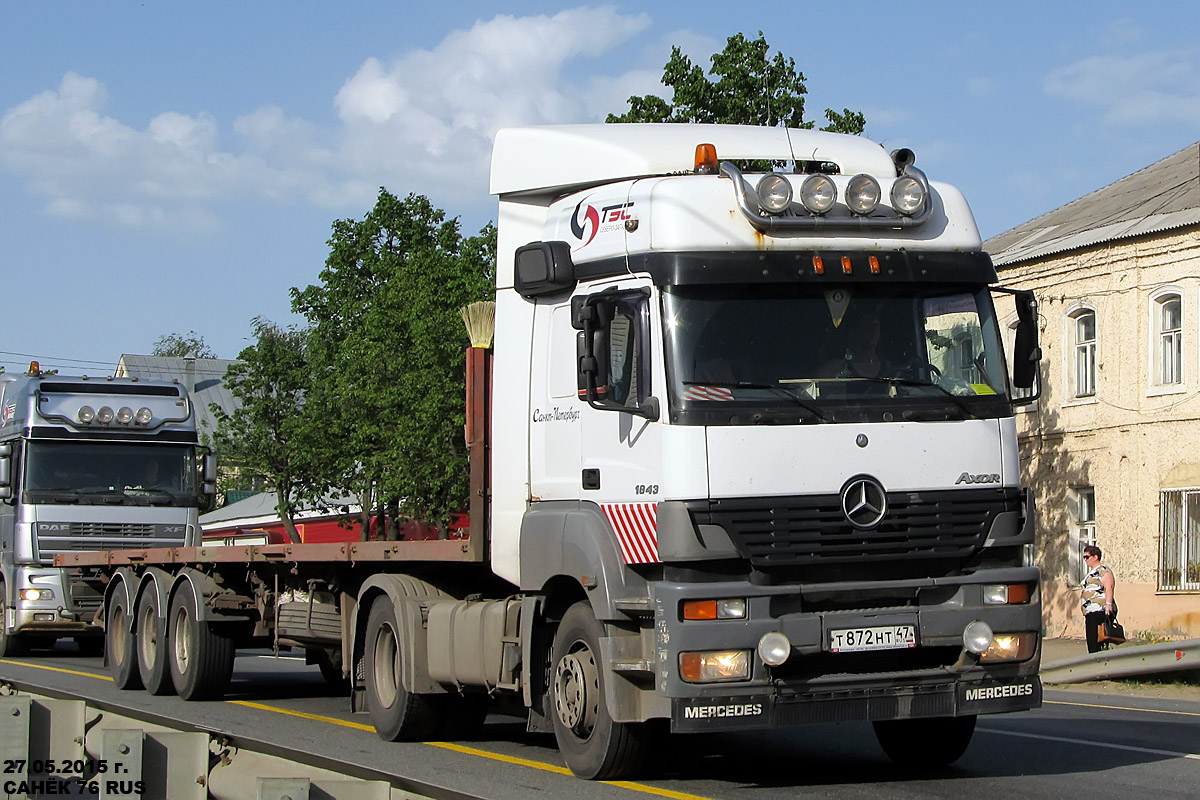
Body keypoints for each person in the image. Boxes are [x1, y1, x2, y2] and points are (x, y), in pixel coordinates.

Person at [1080, 544, 1117, 653]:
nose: (1085, 560)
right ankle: (1095, 659)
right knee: (1092, 639)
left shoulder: (1102, 570)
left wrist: (1108, 605)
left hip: (1099, 610)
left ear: (1095, 557)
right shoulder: (1092, 572)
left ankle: (1098, 661)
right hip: (1091, 611)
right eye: (1084, 557)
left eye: (1087, 557)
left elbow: (1109, 586)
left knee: (1096, 639)